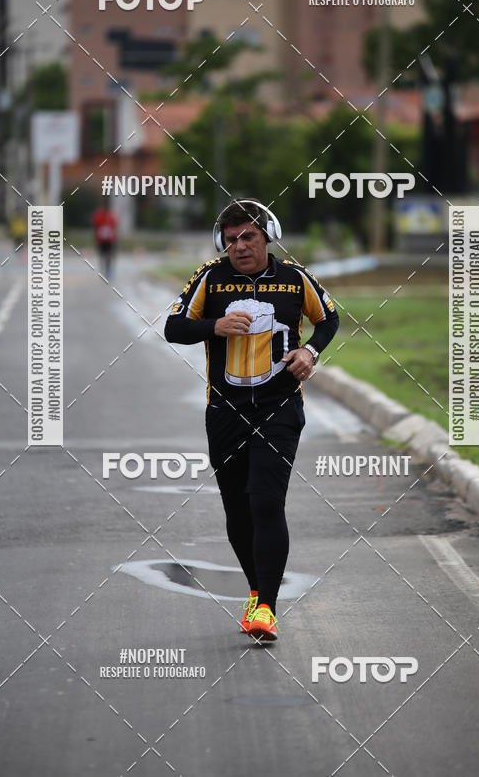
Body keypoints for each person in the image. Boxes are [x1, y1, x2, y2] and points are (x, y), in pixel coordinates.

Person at [164, 199, 339, 640]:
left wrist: (309, 351)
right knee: (237, 510)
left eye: (248, 237)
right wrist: (213, 327)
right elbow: (173, 327)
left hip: (280, 408)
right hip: (225, 410)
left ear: (268, 236)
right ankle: (258, 590)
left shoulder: (295, 279)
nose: (239, 246)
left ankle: (266, 608)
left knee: (265, 500)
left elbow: (330, 318)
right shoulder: (210, 277)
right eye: (231, 239)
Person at [92, 201, 118, 280]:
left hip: (109, 239)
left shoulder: (111, 215)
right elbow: (95, 225)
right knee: (102, 254)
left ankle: (108, 270)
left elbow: (114, 226)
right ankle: (103, 269)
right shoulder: (99, 215)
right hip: (101, 239)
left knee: (109, 255)